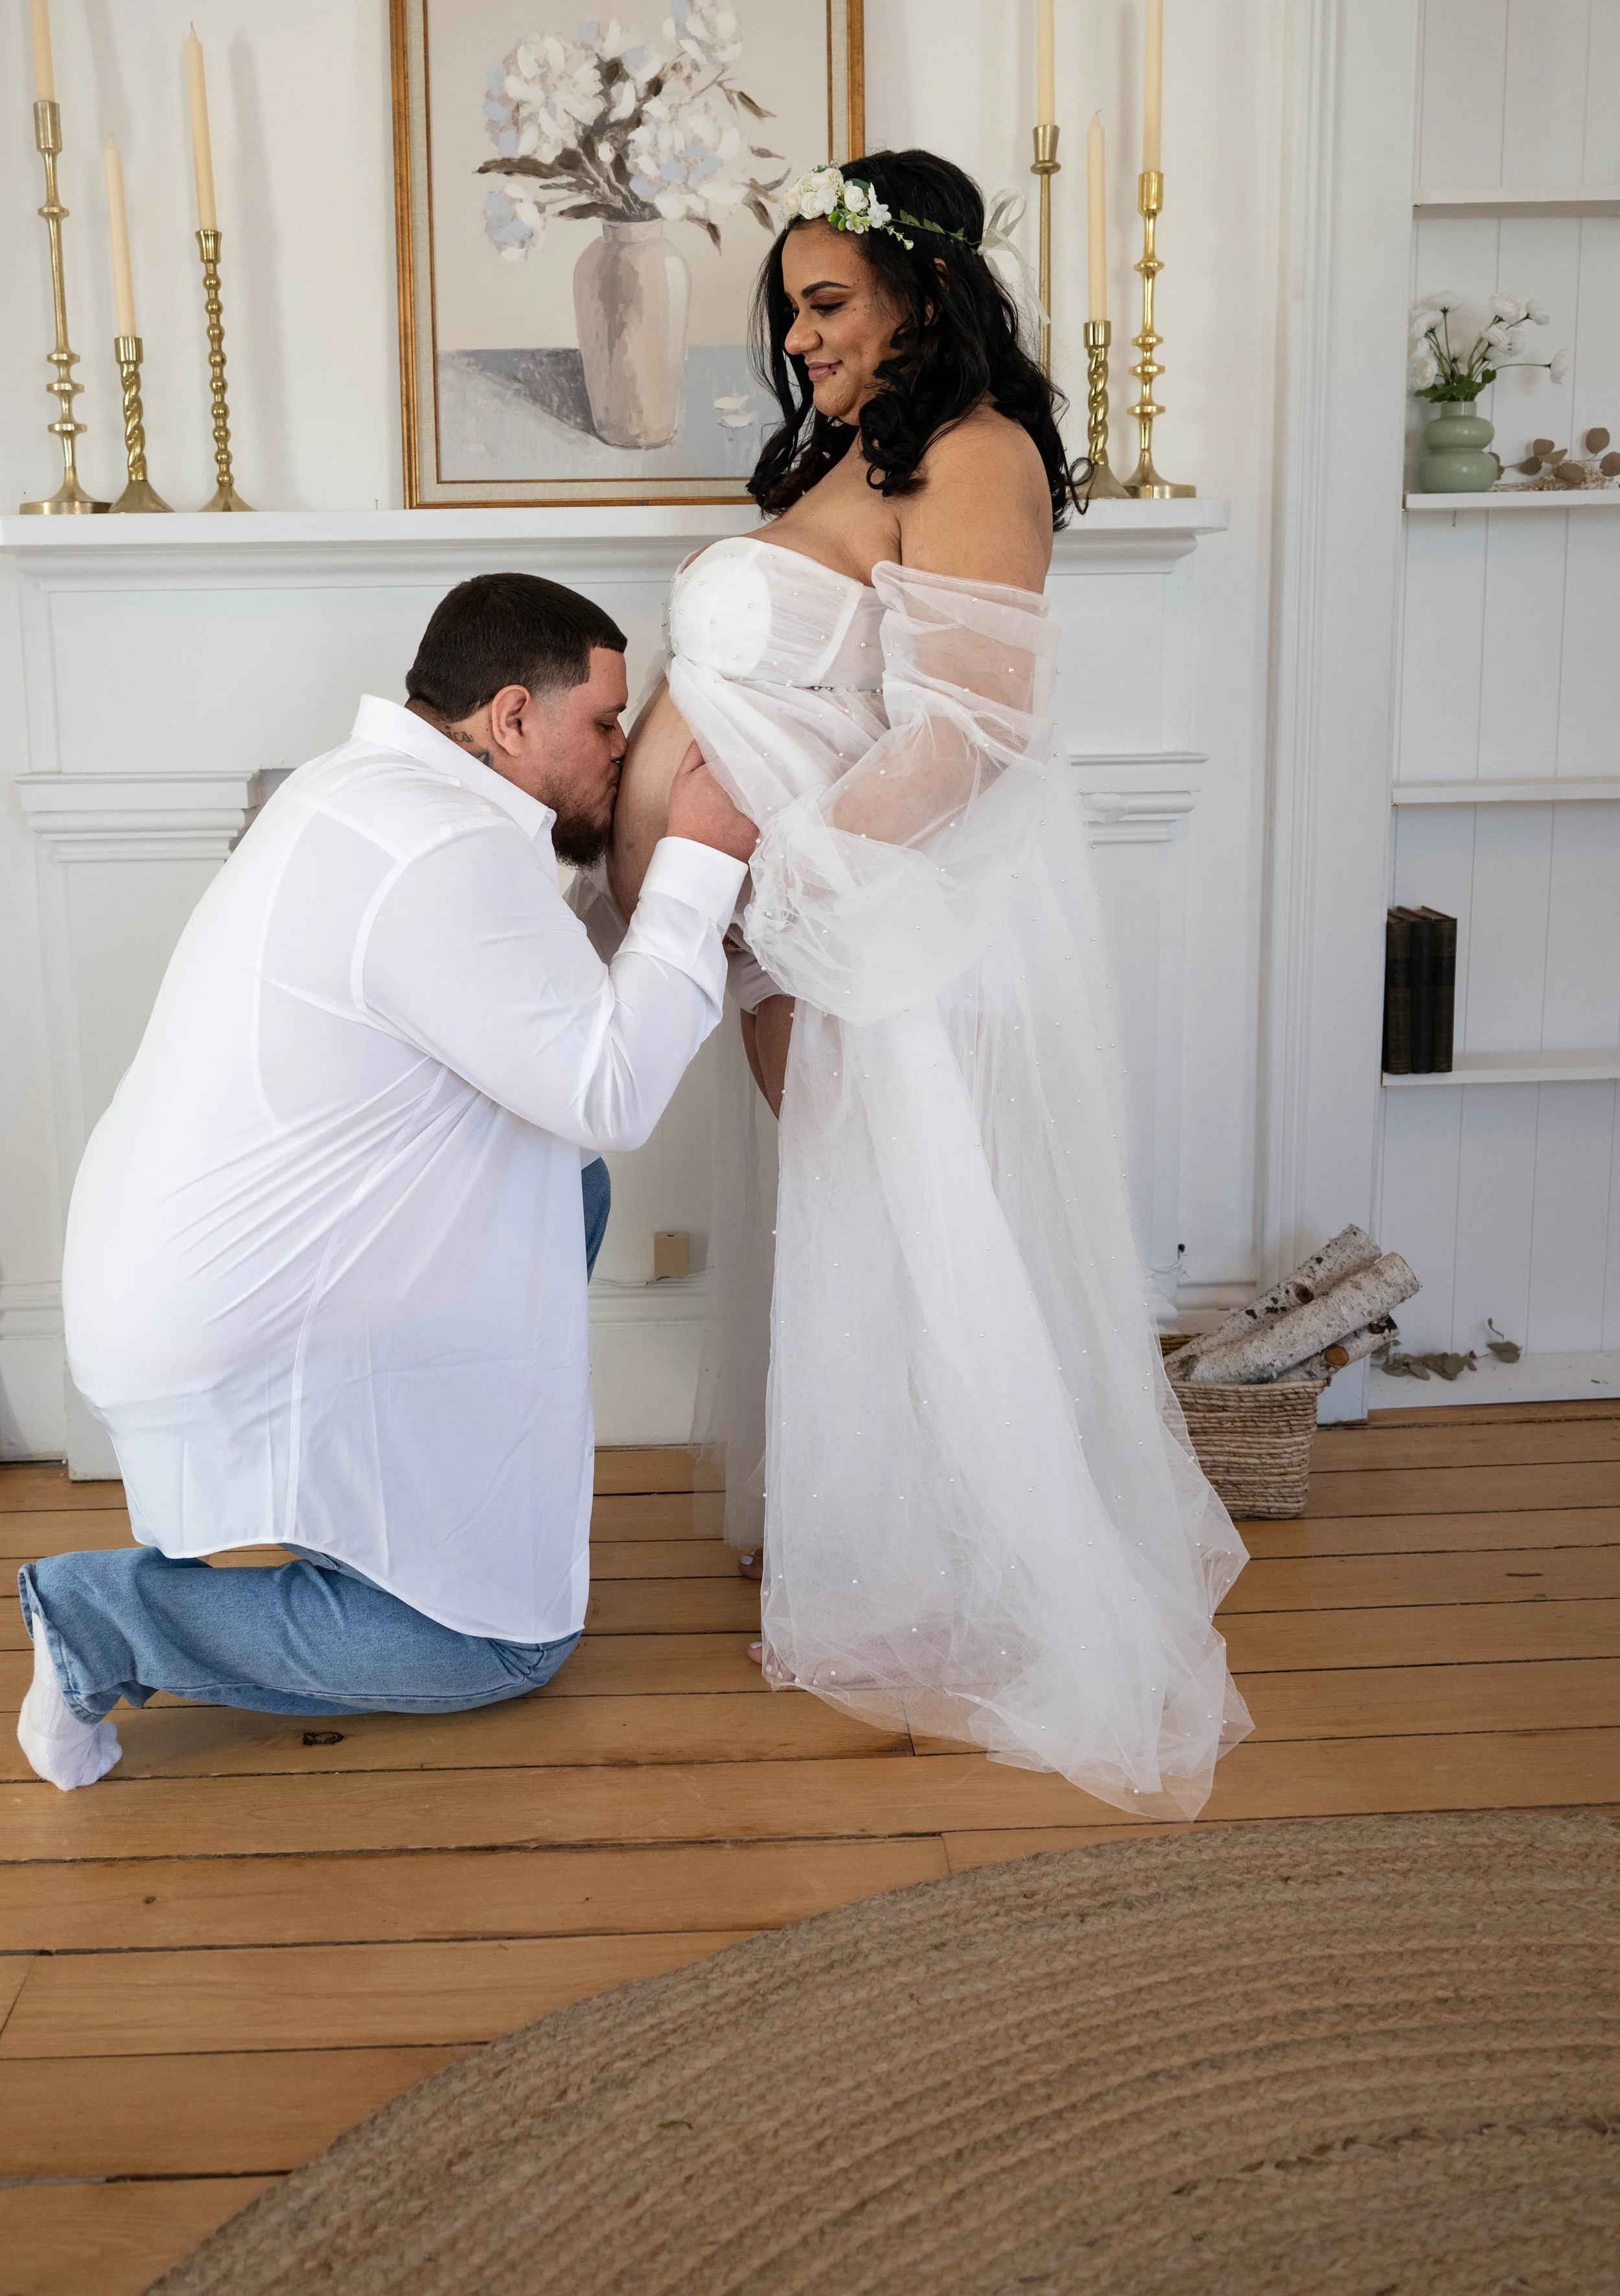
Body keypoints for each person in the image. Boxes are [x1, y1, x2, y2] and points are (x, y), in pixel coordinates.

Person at [606, 150, 1251, 1820]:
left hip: (874, 922)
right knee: (855, 1230)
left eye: (826, 304)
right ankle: (879, 1553)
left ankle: (952, 1581)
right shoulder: (859, 456)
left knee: (909, 1231)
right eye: (791, 312)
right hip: (785, 926)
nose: (799, 341)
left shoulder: (975, 452)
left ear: (925, 293)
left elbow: (968, 732)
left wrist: (789, 872)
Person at [19, 573, 756, 1791]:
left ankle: (394, 1521)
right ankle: (106, 1620)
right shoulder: (437, 849)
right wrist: (696, 859)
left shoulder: (368, 793)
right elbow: (611, 1092)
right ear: (513, 718)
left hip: (196, 1273)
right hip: (235, 1318)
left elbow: (542, 1038)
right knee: (507, 1644)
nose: (622, 753)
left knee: (567, 1189)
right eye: (606, 724)